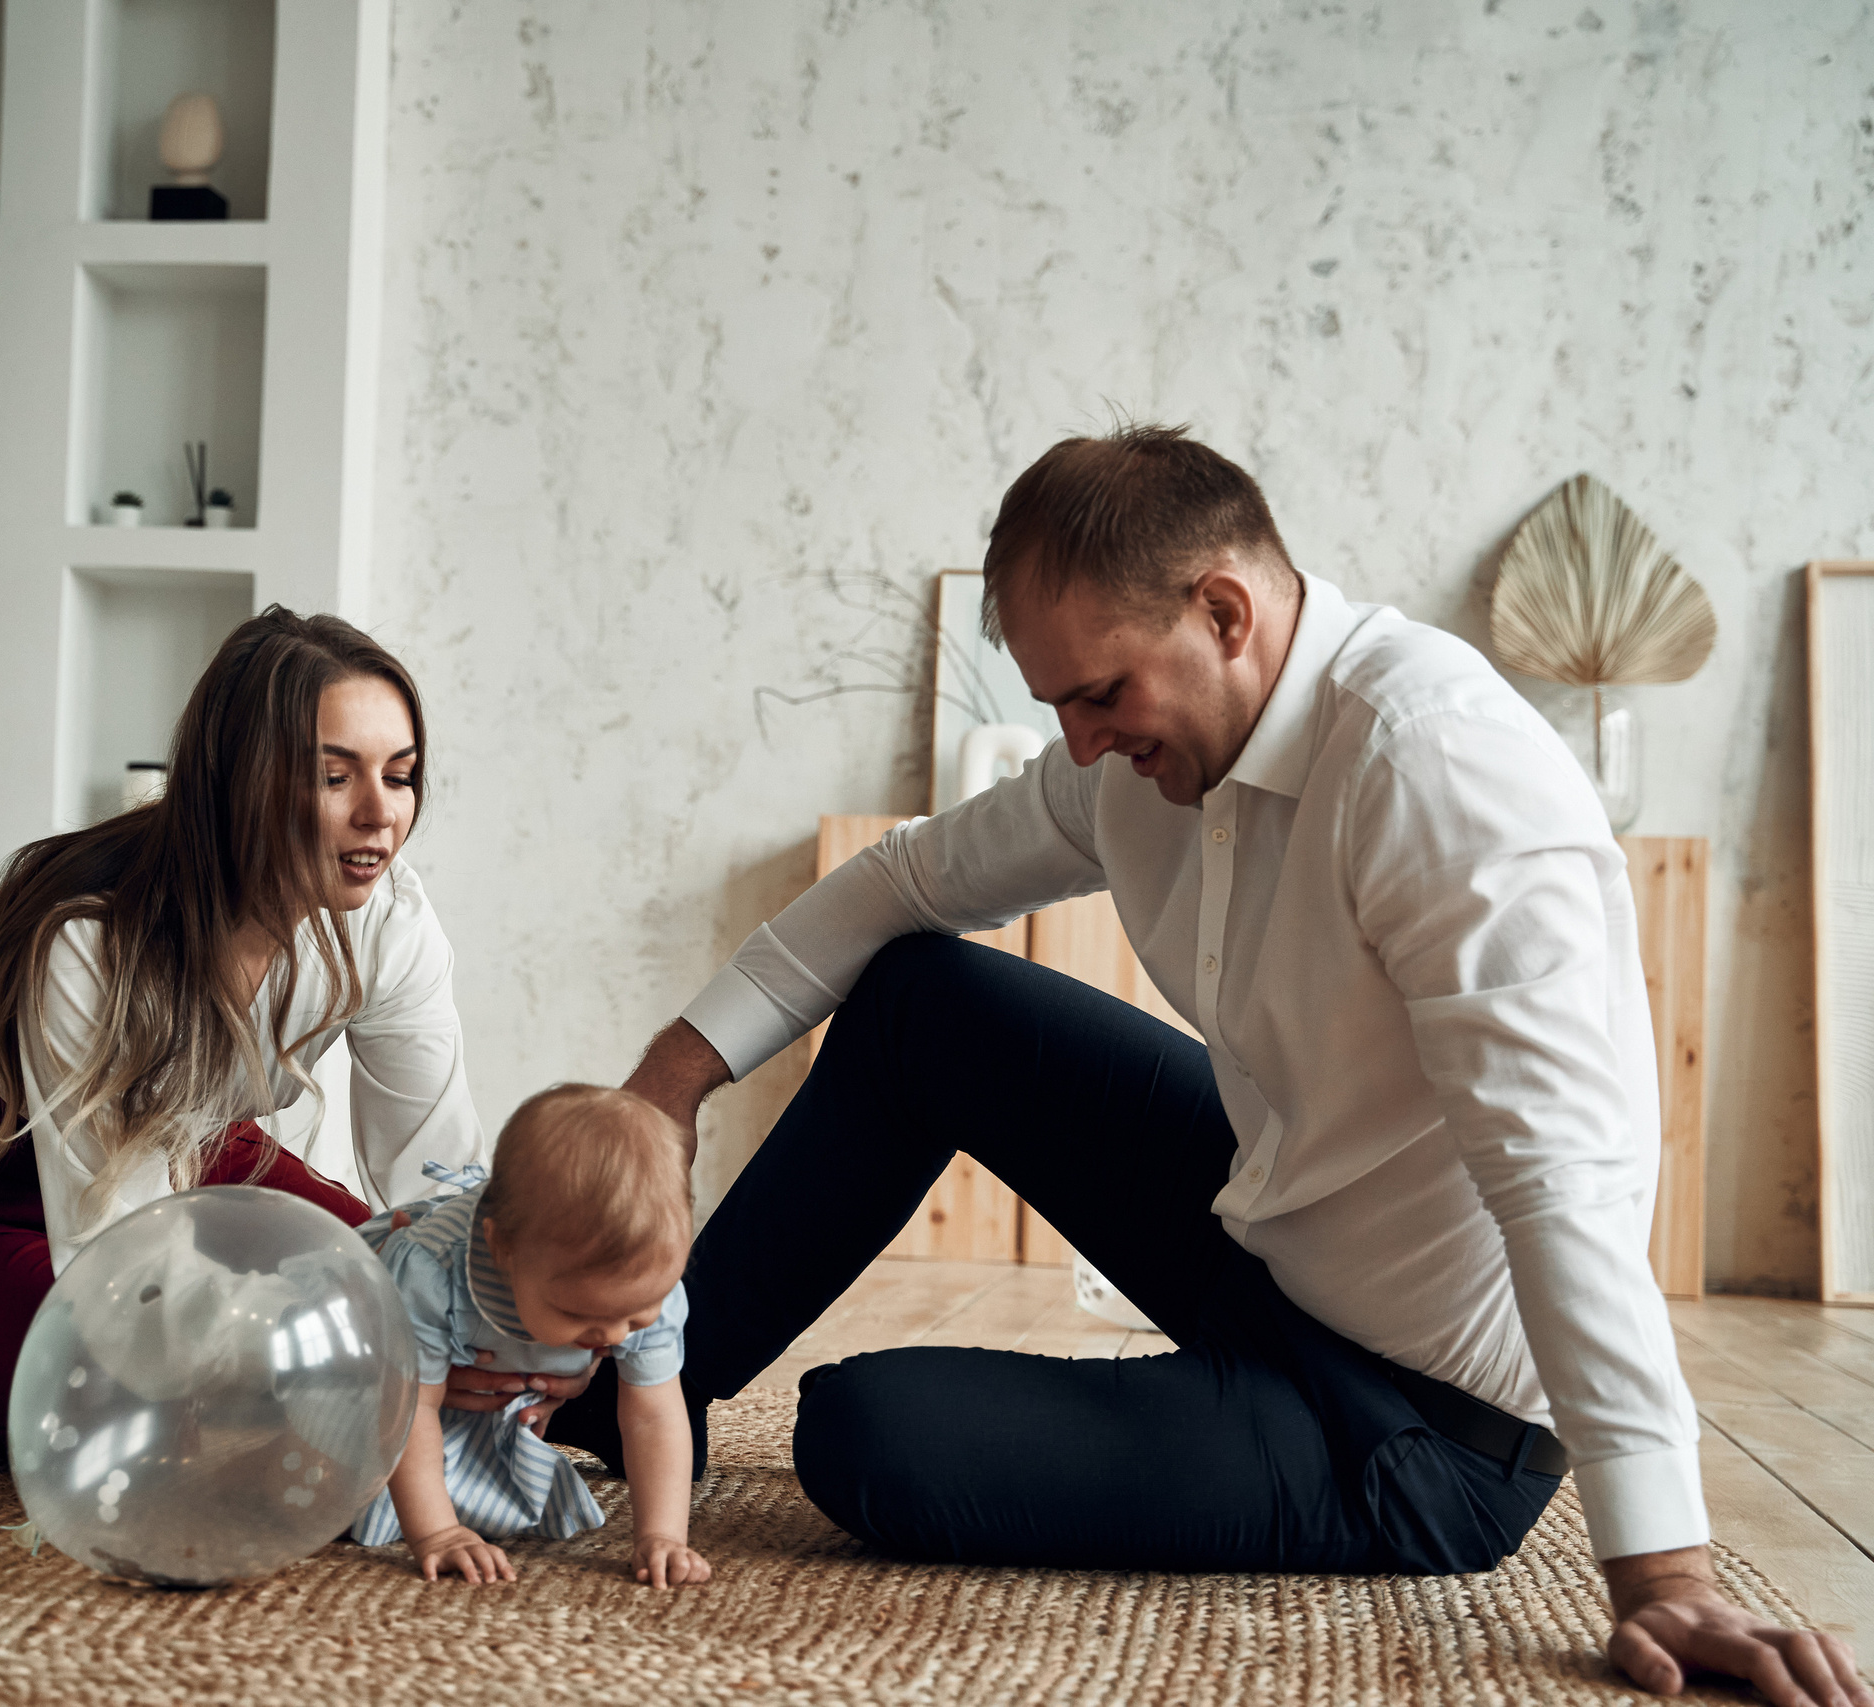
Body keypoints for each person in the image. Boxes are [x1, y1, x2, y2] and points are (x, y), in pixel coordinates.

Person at [561, 426, 1862, 1707]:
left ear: (1225, 610)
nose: (1075, 742)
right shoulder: (1134, 761)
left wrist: (1665, 1568)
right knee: (921, 995)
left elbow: (1562, 1182)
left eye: (1100, 695)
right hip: (1272, 1240)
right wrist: (666, 1082)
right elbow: (904, 877)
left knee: (862, 1433)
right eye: (1055, 703)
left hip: (1420, 1427)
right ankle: (601, 1399)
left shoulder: (1442, 768)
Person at [0, 606, 485, 1434]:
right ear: (242, 778)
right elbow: (123, 1272)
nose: (379, 813)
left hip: (177, 1146)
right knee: (138, 1394)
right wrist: (352, 1339)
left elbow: (437, 1184)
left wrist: (509, 1327)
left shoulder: (389, 920)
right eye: (334, 776)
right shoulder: (91, 939)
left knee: (397, 1274)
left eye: (399, 773)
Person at [352, 1085, 710, 1589]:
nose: (610, 1337)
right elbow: (408, 1412)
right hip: (367, 1371)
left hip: (497, 1379)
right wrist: (437, 1534)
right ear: (503, 1249)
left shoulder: (647, 1280)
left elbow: (654, 1415)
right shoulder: (430, 1271)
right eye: (577, 1313)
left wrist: (663, 1536)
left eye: (635, 1316)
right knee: (333, 1471)